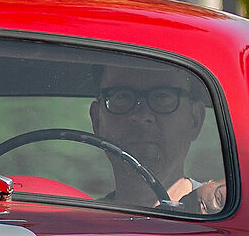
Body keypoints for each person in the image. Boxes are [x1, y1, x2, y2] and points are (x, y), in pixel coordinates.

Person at [88, 63, 228, 212]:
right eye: (121, 96)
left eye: (163, 96)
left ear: (195, 119)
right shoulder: (80, 223)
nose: (141, 116)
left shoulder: (227, 218)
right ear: (96, 120)